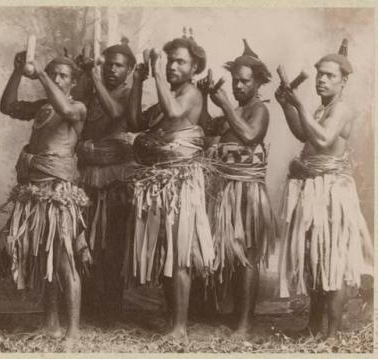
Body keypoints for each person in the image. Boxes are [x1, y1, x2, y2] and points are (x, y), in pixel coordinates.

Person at [276, 39, 373, 340]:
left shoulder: (341, 109)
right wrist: (285, 105)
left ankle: (330, 335)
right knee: (314, 256)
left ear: (344, 82)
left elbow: (321, 140)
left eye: (330, 75)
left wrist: (299, 103)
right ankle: (313, 328)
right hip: (314, 189)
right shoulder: (322, 108)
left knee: (332, 259)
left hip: (333, 192)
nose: (321, 79)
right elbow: (303, 133)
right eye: (319, 74)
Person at [123, 33, 214, 341]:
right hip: (159, 183)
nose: (173, 66)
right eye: (170, 60)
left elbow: (175, 114)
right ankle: (172, 320)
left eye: (180, 61)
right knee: (166, 252)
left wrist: (158, 73)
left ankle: (180, 327)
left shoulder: (190, 94)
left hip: (180, 184)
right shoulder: (168, 95)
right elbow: (134, 121)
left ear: (195, 67)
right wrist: (139, 79)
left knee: (180, 252)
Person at [0, 51, 90, 340]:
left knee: (64, 260)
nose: (58, 78)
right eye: (54, 74)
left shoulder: (78, 107)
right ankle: (51, 324)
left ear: (74, 83)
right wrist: (17, 71)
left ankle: (74, 330)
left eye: (64, 75)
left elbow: (64, 110)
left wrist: (39, 74)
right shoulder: (42, 107)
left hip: (58, 193)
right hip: (35, 191)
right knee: (44, 257)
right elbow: (8, 106)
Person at [197, 39, 276, 336]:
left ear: (258, 83)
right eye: (234, 81)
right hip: (225, 189)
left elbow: (250, 136)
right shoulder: (236, 110)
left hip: (247, 191)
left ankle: (244, 323)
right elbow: (206, 128)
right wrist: (206, 98)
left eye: (244, 82)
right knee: (228, 252)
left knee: (247, 255)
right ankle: (227, 313)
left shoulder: (259, 110)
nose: (238, 86)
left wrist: (226, 105)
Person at [75, 39, 136, 324]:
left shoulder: (129, 92)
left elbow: (115, 113)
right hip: (88, 175)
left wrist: (94, 77)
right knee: (87, 241)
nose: (112, 69)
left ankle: (111, 311)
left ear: (129, 70)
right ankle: (88, 306)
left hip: (115, 181)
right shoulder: (92, 91)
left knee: (112, 245)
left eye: (119, 65)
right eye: (108, 64)